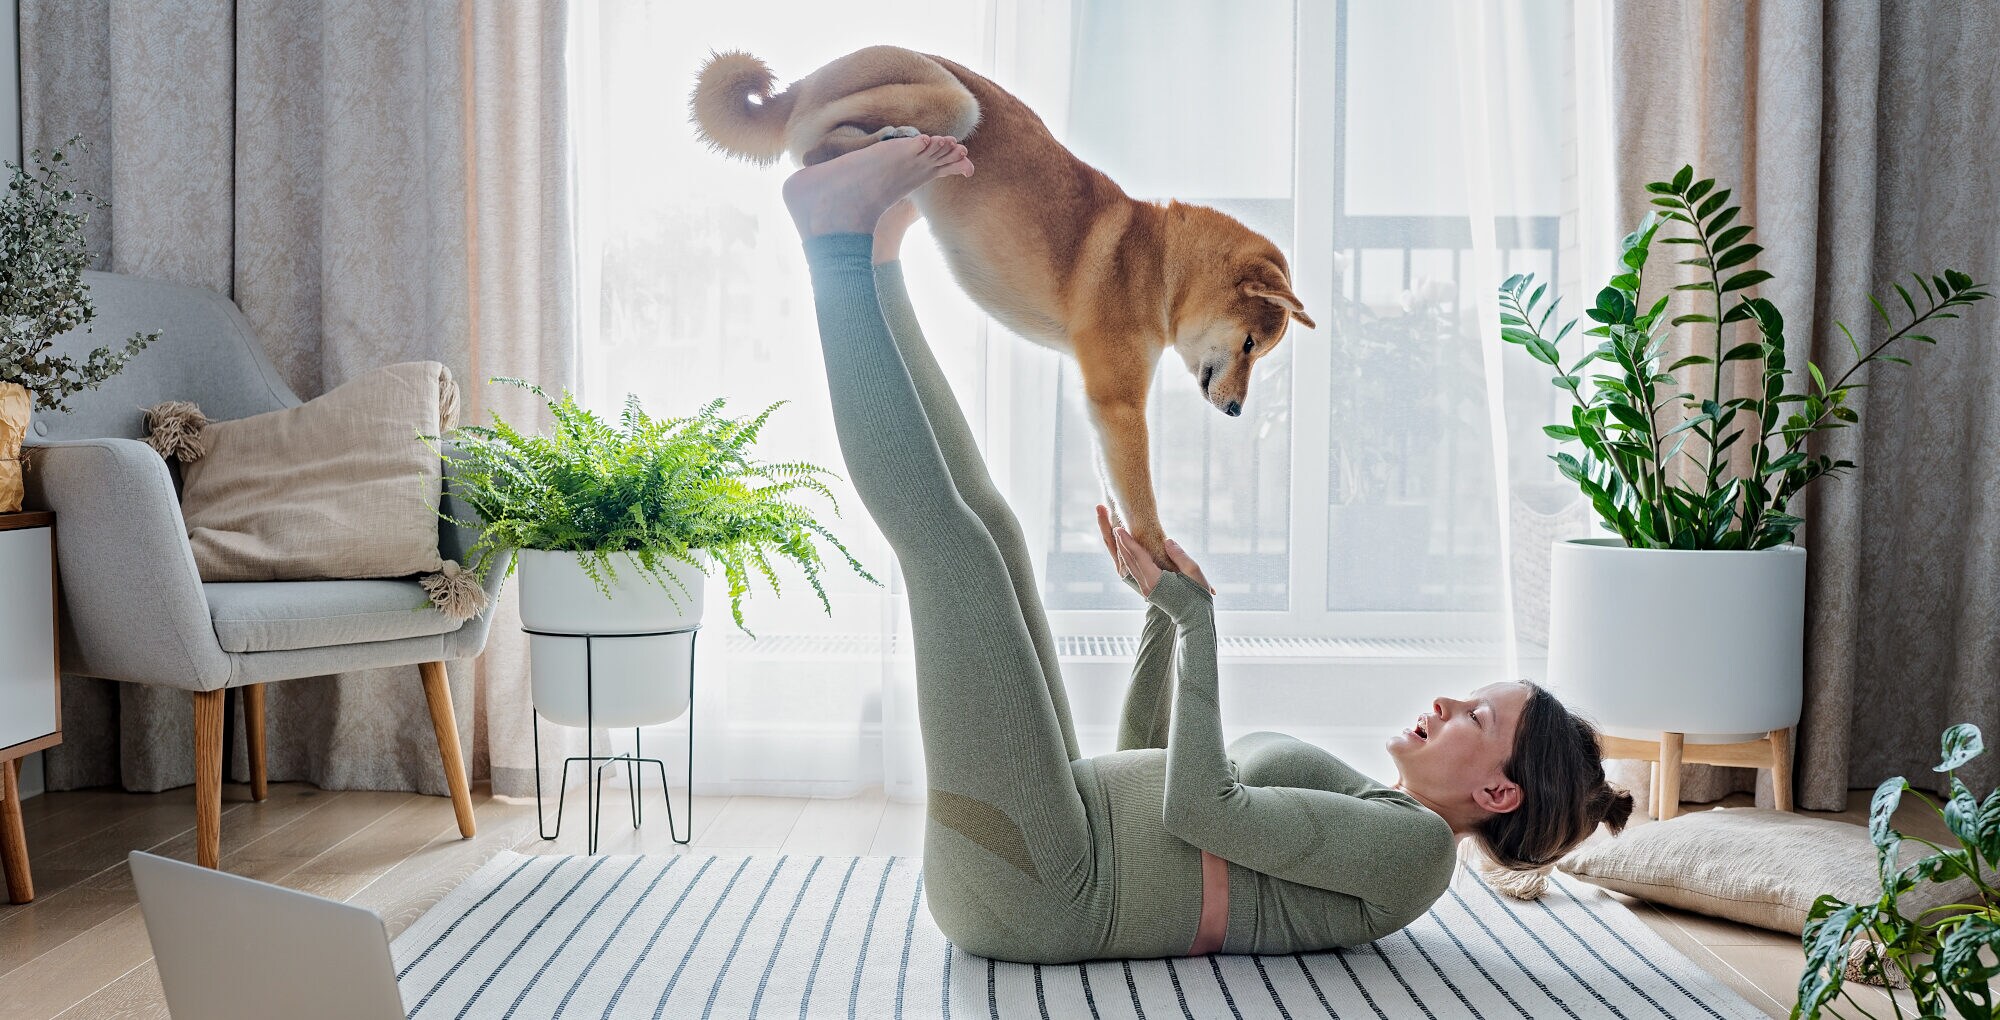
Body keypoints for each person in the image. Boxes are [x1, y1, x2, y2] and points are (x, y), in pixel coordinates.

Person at [783, 134, 1633, 964]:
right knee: (995, 537)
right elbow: (1152, 773)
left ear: (1497, 793)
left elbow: (1200, 811)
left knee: (958, 562)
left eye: (1477, 719)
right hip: (1064, 830)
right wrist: (1167, 617)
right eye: (1469, 699)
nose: (1448, 704)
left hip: (1044, 887)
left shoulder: (1414, 855)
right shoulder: (1378, 812)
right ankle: (879, 256)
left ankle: (834, 246)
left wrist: (1198, 629)